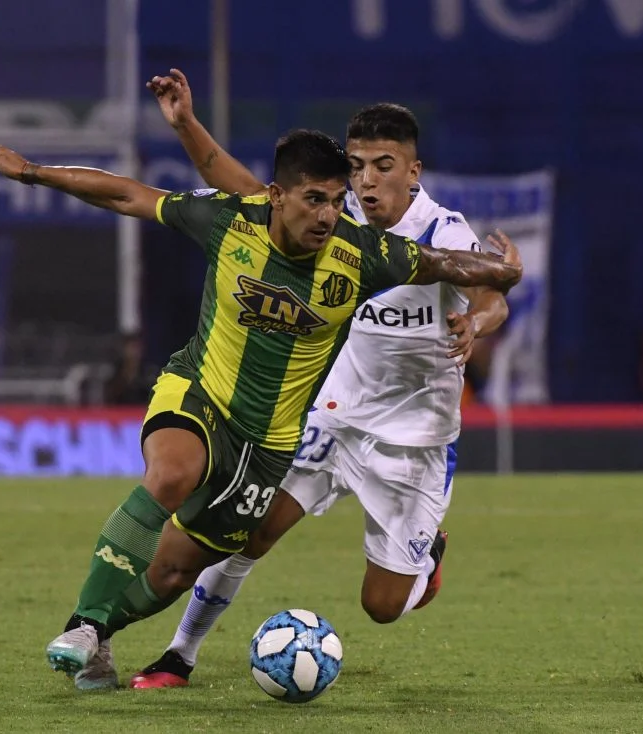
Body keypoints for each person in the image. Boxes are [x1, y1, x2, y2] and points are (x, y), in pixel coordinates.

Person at [0, 127, 521, 692]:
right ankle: (137, 643)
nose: (340, 205)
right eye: (338, 184)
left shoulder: (374, 251)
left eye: (344, 196)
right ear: (280, 197)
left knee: (353, 601)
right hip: (257, 407)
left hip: (336, 439)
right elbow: (135, 194)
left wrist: (494, 292)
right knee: (183, 483)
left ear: (413, 170)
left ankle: (103, 633)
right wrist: (34, 170)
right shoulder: (237, 220)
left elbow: (466, 272)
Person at [119, 70, 511, 690]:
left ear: (415, 172)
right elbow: (245, 188)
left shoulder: (443, 233)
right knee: (246, 533)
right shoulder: (334, 221)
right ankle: (179, 655)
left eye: (385, 165)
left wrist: (477, 324)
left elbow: (492, 294)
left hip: (413, 439)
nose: (367, 179)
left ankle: (425, 559)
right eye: (358, 166)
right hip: (329, 417)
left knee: (382, 607)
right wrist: (188, 126)